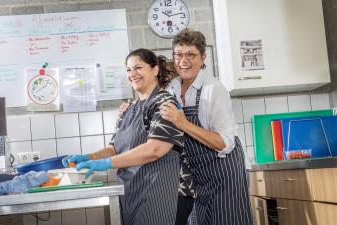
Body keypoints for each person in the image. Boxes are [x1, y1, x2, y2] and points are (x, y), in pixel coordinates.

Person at [62, 48, 183, 225]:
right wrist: (89, 157)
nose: (132, 74)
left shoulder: (164, 103)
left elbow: (155, 149)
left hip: (154, 193)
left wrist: (106, 164)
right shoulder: (129, 108)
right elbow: (113, 148)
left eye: (138, 68)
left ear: (155, 69)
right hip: (129, 192)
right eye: (128, 69)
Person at [160, 29, 253, 225]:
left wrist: (183, 123)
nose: (183, 60)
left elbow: (225, 143)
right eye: (178, 54)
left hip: (225, 176)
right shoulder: (174, 87)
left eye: (190, 55)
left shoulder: (214, 90)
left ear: (203, 57)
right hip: (198, 178)